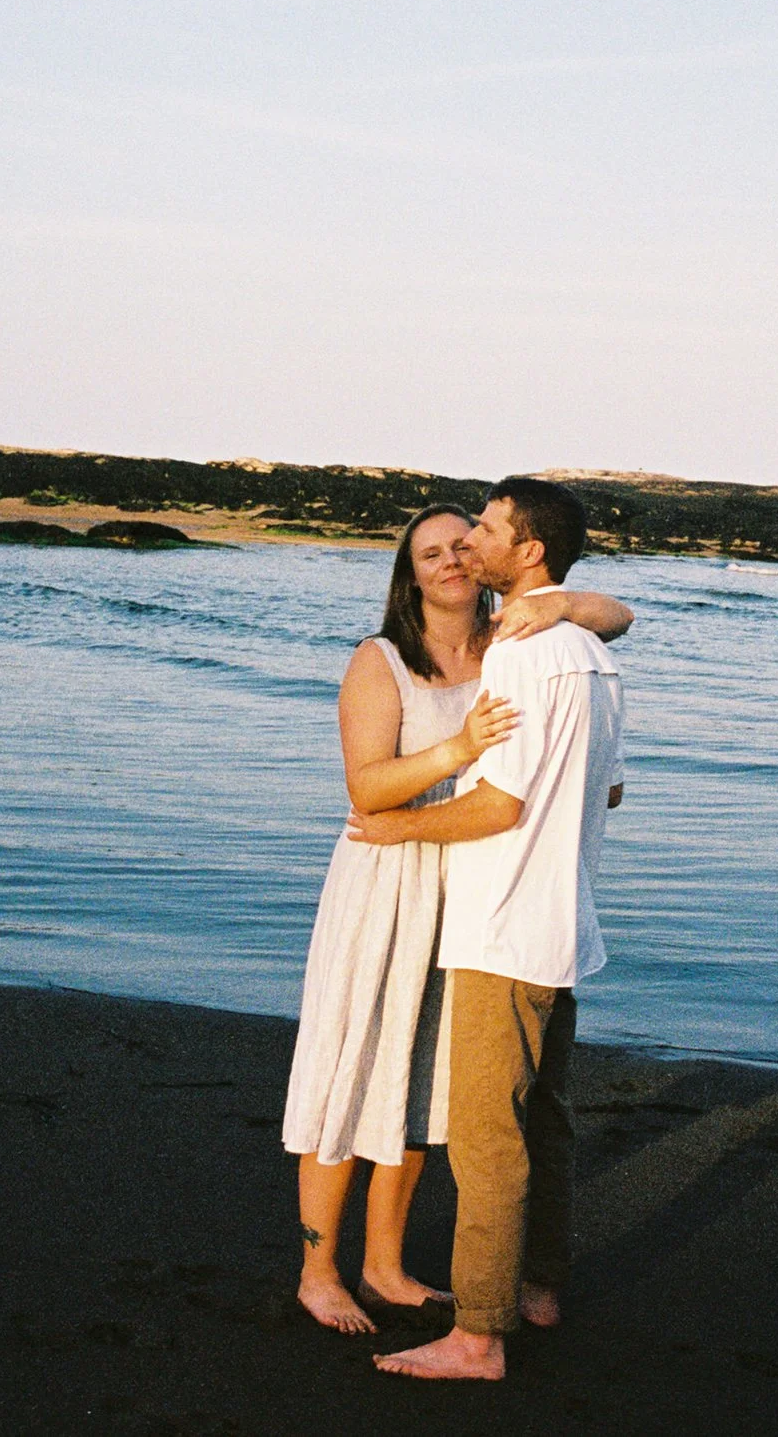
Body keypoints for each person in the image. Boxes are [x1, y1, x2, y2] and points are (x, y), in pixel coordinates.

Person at [282, 502, 633, 1335]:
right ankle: (318, 1270)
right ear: (410, 574)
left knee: (418, 1083)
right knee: (353, 1066)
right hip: (386, 880)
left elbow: (620, 616)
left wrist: (568, 604)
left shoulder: (512, 644)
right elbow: (367, 792)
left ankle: (385, 1265)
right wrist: (459, 748)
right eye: (429, 553)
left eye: (460, 545)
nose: (449, 559)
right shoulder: (381, 661)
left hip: (470, 886)